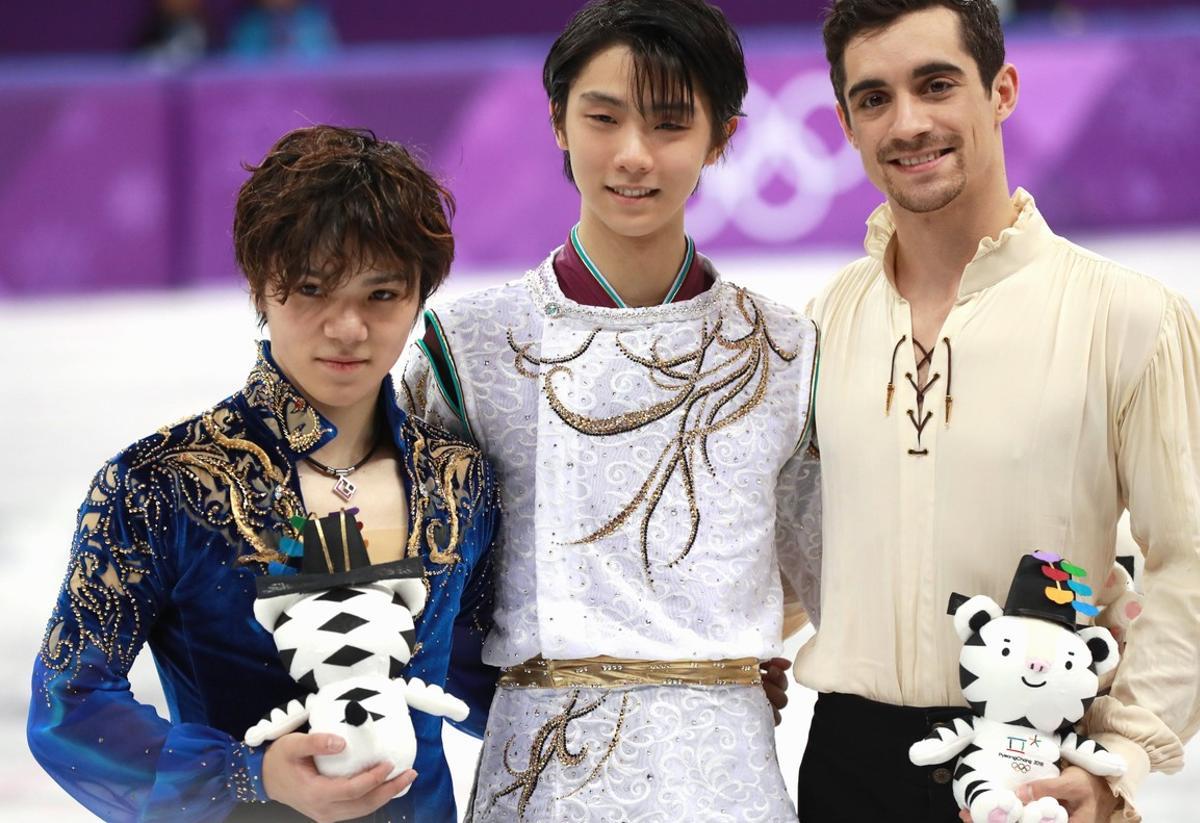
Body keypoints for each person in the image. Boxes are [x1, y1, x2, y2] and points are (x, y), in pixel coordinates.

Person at [400, 1, 821, 819]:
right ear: (558, 120)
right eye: (603, 117)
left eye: (670, 123)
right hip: (541, 771)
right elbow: (419, 579)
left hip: (727, 773)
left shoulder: (782, 350)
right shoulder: (471, 347)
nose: (634, 155)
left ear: (723, 137)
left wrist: (732, 654)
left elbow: (825, 571)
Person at [796, 1, 1200, 820]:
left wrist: (1120, 753)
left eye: (936, 84)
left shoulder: (1131, 317)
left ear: (1002, 90)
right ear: (845, 122)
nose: (908, 123)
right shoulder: (822, 321)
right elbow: (792, 550)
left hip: (1039, 768)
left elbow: (1189, 556)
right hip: (844, 763)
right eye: (874, 98)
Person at [28, 125, 498, 823]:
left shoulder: (459, 480)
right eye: (312, 288)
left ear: (420, 296)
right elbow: (68, 704)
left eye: (380, 295)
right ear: (261, 285)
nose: (346, 327)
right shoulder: (161, 484)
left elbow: (487, 679)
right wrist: (248, 774)